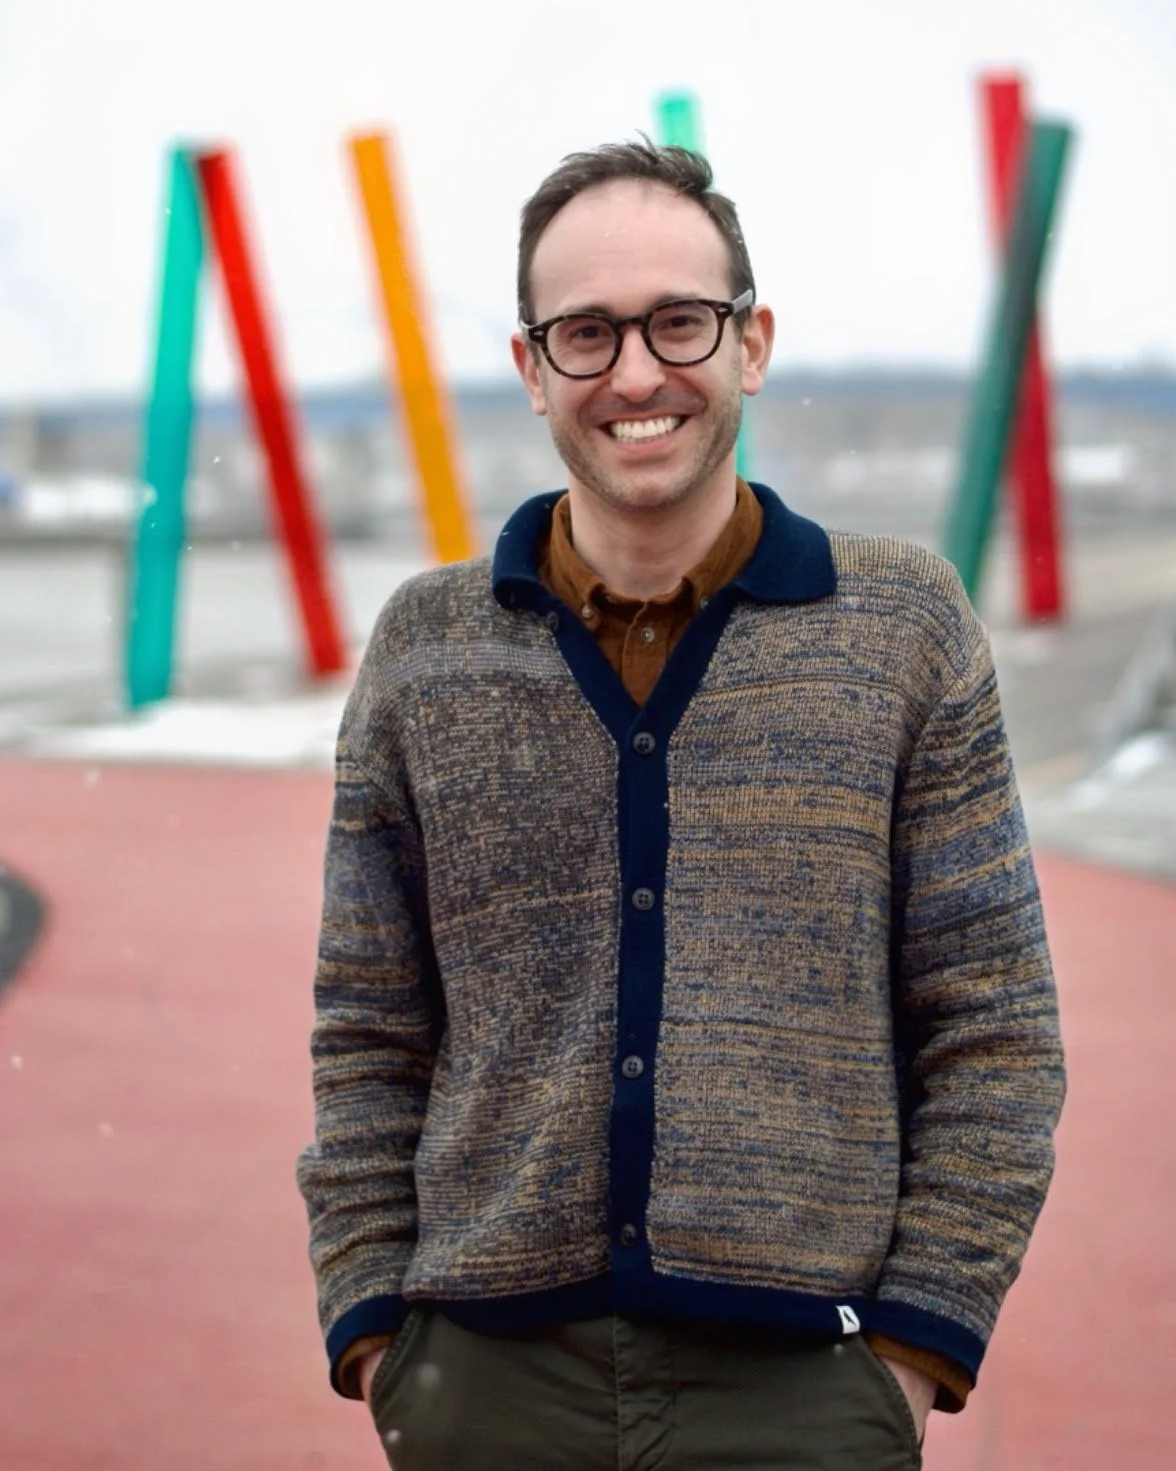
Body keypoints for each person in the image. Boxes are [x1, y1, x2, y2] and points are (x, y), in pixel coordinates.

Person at [298, 139, 1066, 1469]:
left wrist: (913, 1350)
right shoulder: (428, 649)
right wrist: (379, 1332)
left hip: (806, 1392)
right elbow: (369, 1025)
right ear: (533, 368)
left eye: (679, 322)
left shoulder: (902, 629)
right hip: (485, 1385)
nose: (637, 374)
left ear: (751, 344)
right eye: (587, 333)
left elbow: (994, 1026)